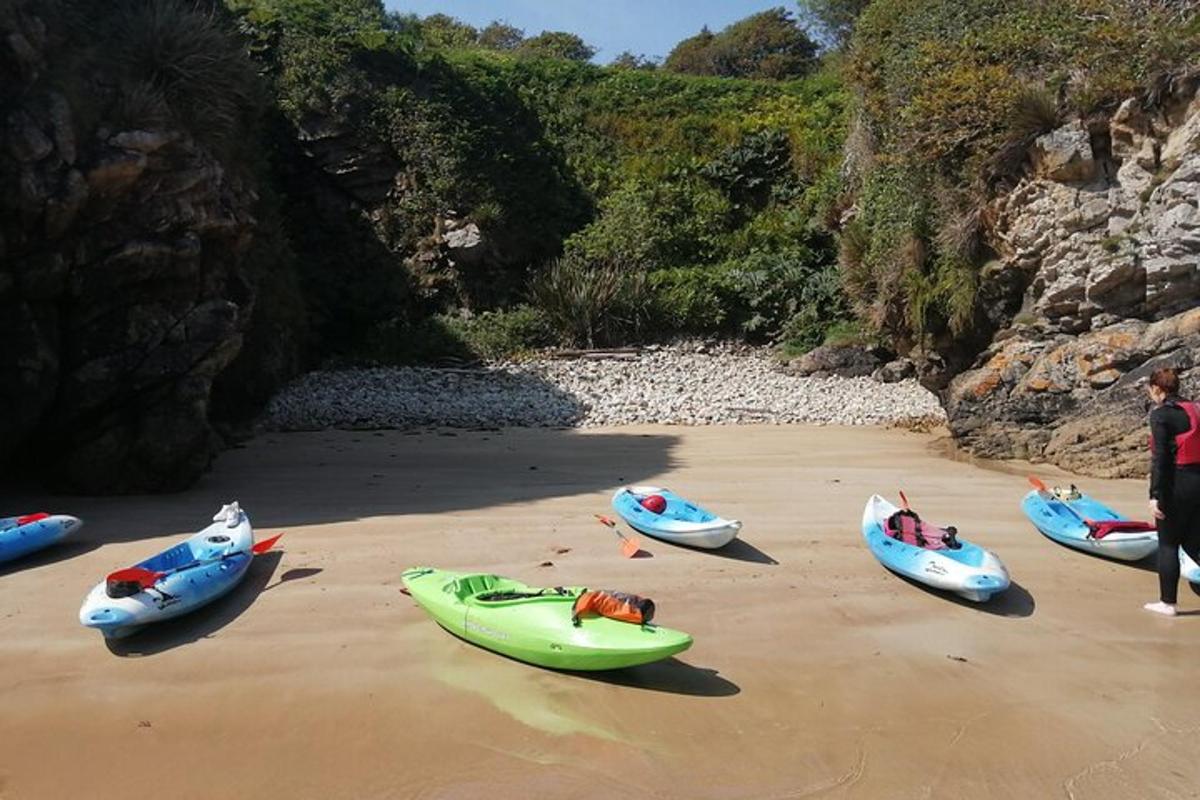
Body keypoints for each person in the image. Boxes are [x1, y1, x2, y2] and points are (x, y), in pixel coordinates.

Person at [1144, 367, 1200, 616]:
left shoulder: (1162, 415)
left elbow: (1161, 458)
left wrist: (1155, 495)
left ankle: (1168, 603)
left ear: (1157, 389)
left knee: (1168, 544)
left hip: (1177, 483)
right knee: (1194, 543)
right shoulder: (1196, 408)